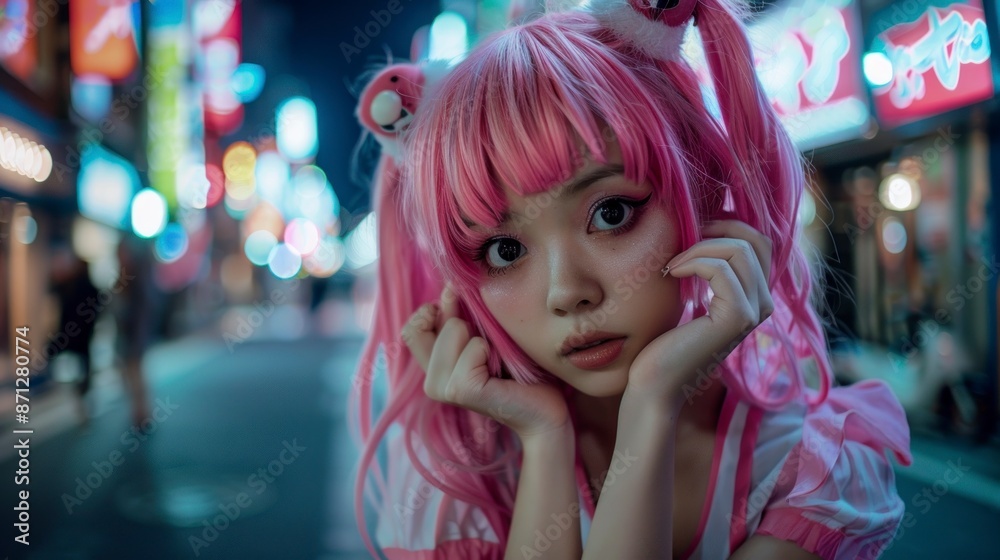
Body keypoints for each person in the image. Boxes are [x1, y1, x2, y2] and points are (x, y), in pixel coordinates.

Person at [352, 1, 912, 558]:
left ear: (700, 193)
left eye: (612, 213)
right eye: (504, 250)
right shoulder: (451, 480)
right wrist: (545, 439)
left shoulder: (810, 472)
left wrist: (651, 404)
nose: (567, 291)